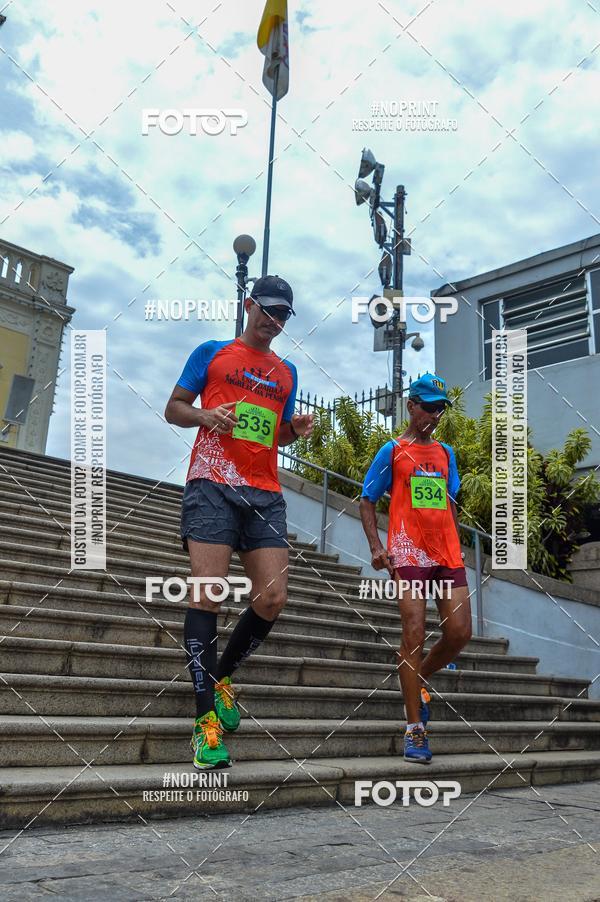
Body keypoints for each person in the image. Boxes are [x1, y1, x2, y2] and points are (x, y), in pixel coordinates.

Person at [165, 276, 313, 769]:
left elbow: (278, 437)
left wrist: (295, 429)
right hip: (211, 482)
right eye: (267, 310)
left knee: (272, 597)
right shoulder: (212, 351)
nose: (274, 321)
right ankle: (205, 722)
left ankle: (222, 676)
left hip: (264, 492)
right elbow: (174, 409)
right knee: (207, 592)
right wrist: (207, 417)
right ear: (249, 305)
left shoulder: (287, 372)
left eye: (283, 315)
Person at [359, 373, 472, 764]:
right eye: (428, 407)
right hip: (408, 553)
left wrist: (457, 547)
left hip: (446, 555)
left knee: (459, 632)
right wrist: (377, 546)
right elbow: (367, 499)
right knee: (413, 633)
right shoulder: (391, 451)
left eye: (440, 408)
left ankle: (418, 678)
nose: (434, 415)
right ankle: (415, 729)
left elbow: (449, 503)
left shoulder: (446, 453)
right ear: (410, 405)